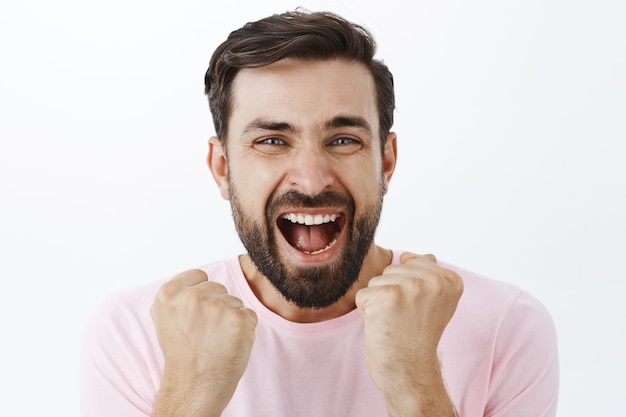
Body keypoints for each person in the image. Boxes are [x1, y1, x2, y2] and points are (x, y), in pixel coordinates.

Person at [80, 9, 559, 417]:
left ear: (386, 162)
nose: (311, 179)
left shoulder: (505, 325)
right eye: (271, 141)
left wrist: (416, 386)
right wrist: (191, 394)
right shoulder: (136, 331)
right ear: (222, 168)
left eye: (344, 140)